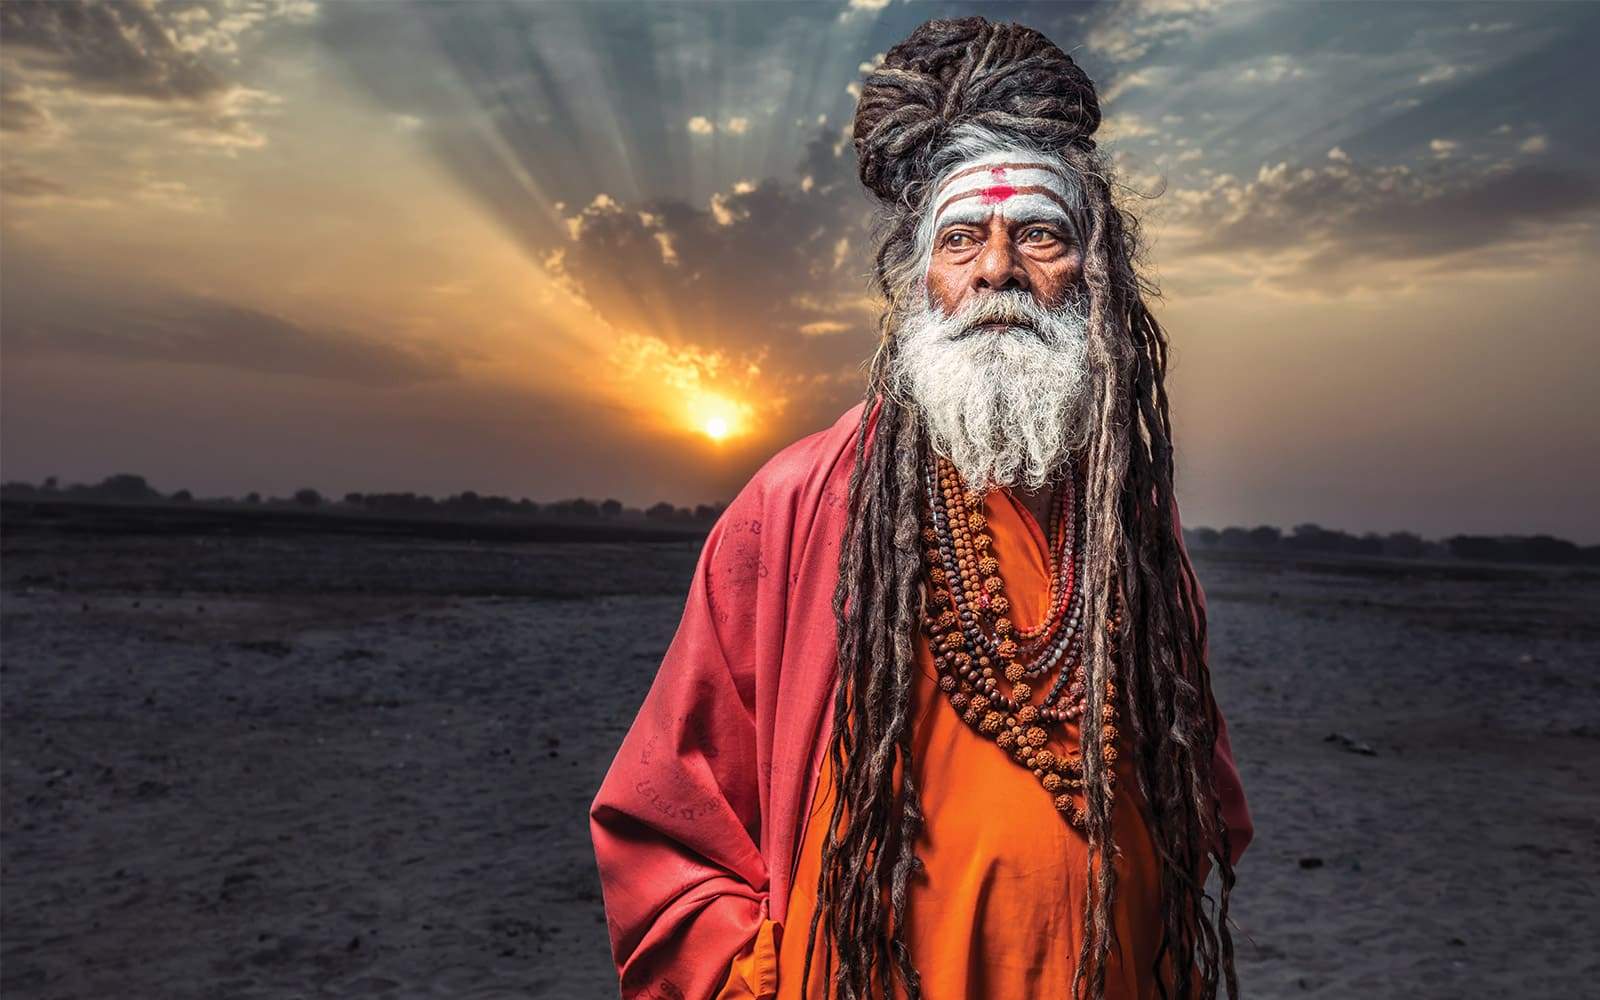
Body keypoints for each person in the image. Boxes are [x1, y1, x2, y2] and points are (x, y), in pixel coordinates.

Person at [590, 15, 1253, 1000]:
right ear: (916, 281)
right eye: (961, 239)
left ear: (1095, 272)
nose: (997, 270)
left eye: (1038, 233)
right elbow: (668, 818)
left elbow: (1203, 803)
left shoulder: (1132, 536)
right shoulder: (797, 503)